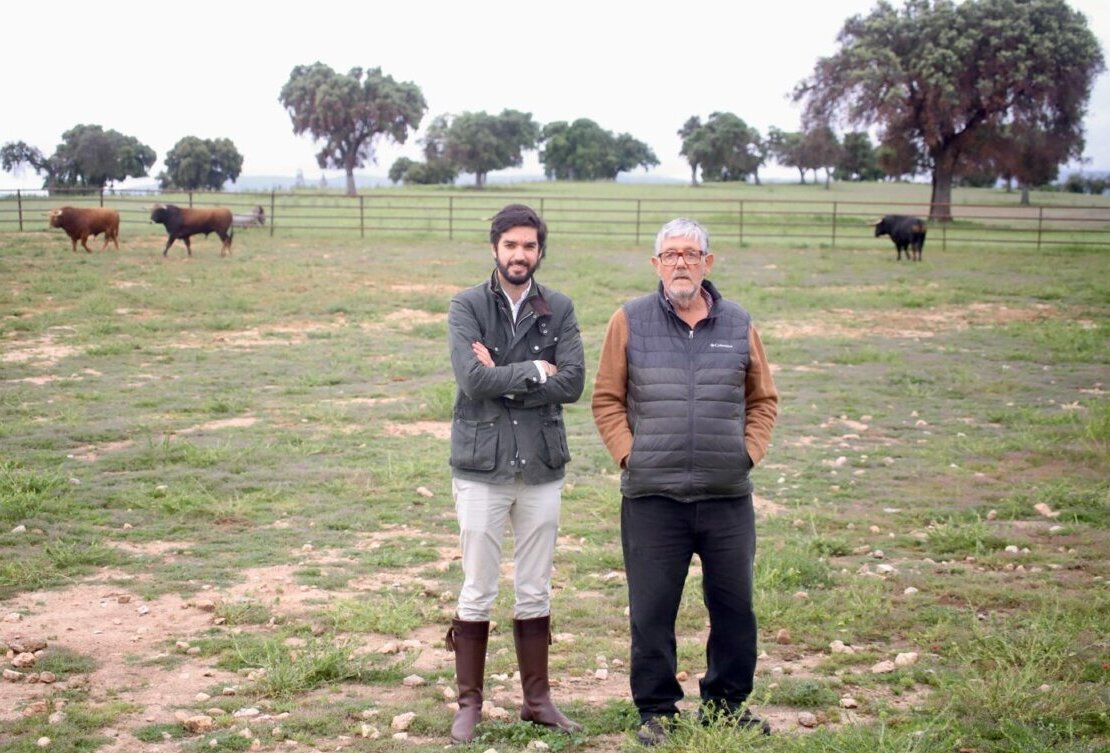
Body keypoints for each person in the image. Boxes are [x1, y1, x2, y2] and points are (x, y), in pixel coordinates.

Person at [591, 218, 779, 746]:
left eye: (691, 254)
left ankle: (726, 705)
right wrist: (631, 456)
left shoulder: (739, 323)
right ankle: (657, 710)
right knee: (652, 609)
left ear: (707, 263)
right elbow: (606, 398)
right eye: (670, 254)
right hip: (653, 496)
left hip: (726, 496)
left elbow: (763, 399)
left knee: (735, 607)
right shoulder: (628, 320)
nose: (680, 263)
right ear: (656, 264)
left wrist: (747, 453)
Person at [445, 204, 585, 744]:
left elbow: (571, 383)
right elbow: (472, 380)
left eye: (529, 246)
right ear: (495, 249)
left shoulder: (560, 308)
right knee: (477, 586)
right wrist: (533, 370)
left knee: (535, 587)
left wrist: (502, 374)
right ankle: (469, 704)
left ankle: (537, 700)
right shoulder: (467, 305)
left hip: (542, 465)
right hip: (482, 465)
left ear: (540, 251)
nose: (519, 255)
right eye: (510, 245)